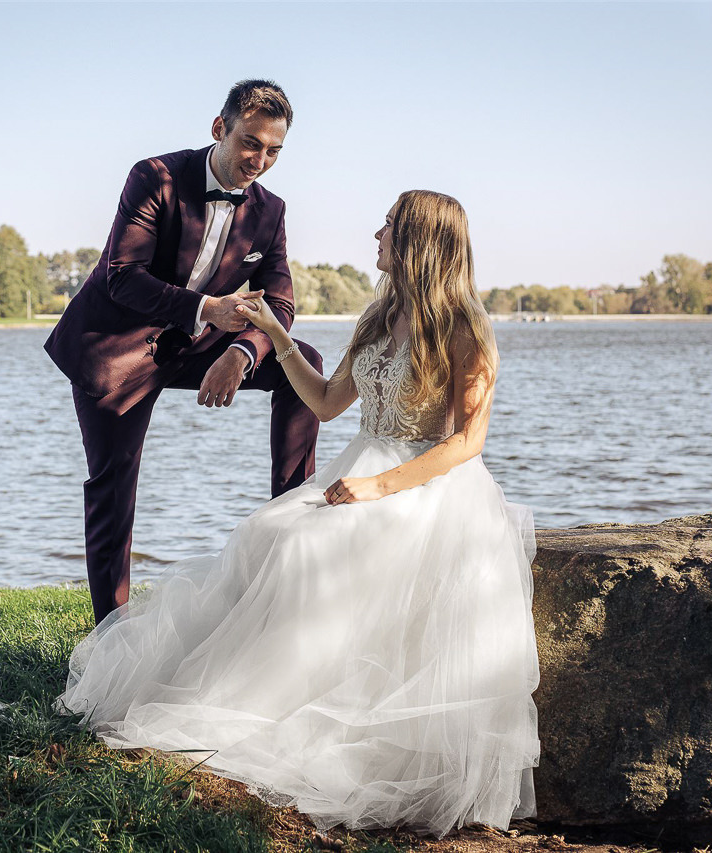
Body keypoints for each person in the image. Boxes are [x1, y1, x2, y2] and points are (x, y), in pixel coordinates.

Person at [53, 190, 541, 839]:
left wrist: (378, 488)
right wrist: (278, 337)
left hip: (426, 487)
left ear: (419, 243)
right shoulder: (376, 317)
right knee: (271, 531)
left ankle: (298, 713)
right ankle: (243, 695)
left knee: (306, 549)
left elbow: (466, 442)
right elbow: (327, 401)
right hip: (362, 465)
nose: (376, 234)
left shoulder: (463, 330)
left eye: (389, 227)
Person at [43, 79, 323, 626]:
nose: (260, 160)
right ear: (219, 129)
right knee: (112, 484)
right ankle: (109, 631)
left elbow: (281, 305)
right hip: (119, 346)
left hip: (204, 345)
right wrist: (207, 309)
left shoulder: (271, 210)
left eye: (273, 151)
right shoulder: (155, 177)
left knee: (302, 362)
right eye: (250, 143)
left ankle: (286, 549)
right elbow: (121, 277)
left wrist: (242, 351)